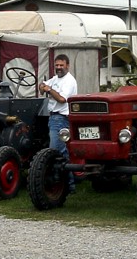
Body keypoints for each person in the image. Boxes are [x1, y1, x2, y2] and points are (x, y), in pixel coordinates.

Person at [38, 54, 78, 193]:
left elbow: (62, 99)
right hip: (53, 117)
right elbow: (42, 85)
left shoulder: (69, 81)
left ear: (67, 65)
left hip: (61, 118)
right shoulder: (55, 79)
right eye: (57, 65)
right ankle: (68, 185)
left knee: (56, 152)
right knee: (60, 151)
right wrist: (44, 87)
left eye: (61, 65)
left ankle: (66, 185)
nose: (59, 68)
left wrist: (49, 90)